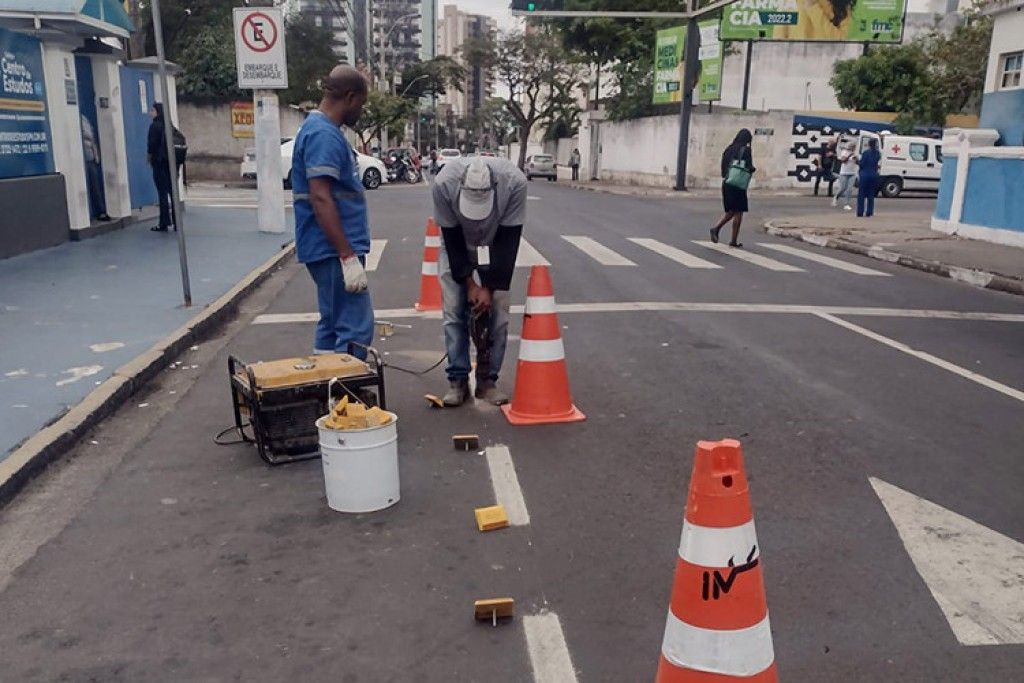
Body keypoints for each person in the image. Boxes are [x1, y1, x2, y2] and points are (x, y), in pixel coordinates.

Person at [291, 65, 373, 358]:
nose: (360, 111)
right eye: (361, 104)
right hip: (332, 249)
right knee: (355, 326)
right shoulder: (323, 135)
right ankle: (345, 394)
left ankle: (326, 388)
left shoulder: (320, 130)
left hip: (325, 248)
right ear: (350, 97)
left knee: (332, 322)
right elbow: (321, 197)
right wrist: (347, 255)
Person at [432, 156, 526, 407]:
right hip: (457, 241)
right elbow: (451, 238)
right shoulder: (443, 184)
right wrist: (470, 285)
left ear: (495, 187)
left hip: (496, 242)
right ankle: (458, 380)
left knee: (499, 313)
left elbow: (509, 240)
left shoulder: (514, 183)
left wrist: (489, 288)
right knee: (453, 311)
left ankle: (487, 382)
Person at [710, 128, 755, 248]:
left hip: (727, 183)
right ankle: (732, 239)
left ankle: (716, 229)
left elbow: (723, 167)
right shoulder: (746, 150)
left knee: (731, 211)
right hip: (738, 184)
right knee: (738, 212)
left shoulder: (728, 149)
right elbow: (749, 166)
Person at [147, 103, 177, 232]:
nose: (150, 112)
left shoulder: (155, 126)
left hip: (159, 163)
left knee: (162, 193)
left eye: (152, 110)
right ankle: (177, 222)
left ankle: (164, 222)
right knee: (172, 192)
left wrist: (149, 157)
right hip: (171, 164)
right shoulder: (169, 125)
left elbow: (152, 145)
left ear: (158, 112)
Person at [80, 114, 110, 222]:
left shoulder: (84, 119)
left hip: (89, 157)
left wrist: (96, 153)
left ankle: (100, 211)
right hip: (81, 157)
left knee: (94, 185)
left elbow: (92, 138)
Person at [857, 138, 881, 218]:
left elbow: (862, 164)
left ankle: (860, 212)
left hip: (865, 174)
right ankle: (869, 212)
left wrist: (857, 162)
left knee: (861, 194)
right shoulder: (878, 153)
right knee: (871, 194)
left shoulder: (865, 153)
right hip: (873, 174)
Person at [832, 141, 858, 210]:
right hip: (844, 173)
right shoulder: (844, 152)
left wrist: (856, 159)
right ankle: (836, 197)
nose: (853, 148)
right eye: (852, 146)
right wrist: (849, 155)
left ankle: (846, 204)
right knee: (843, 188)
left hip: (852, 173)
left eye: (854, 147)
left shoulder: (855, 154)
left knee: (849, 189)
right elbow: (843, 160)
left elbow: (857, 162)